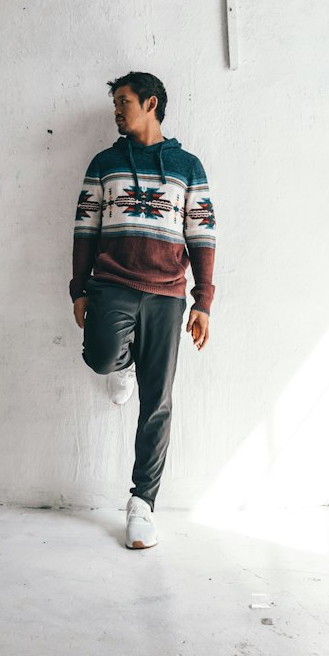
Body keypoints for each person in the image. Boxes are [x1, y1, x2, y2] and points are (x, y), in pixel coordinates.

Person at [70, 72, 216, 549]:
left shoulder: (187, 166)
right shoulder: (104, 163)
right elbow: (85, 228)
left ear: (150, 103)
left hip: (168, 295)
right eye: (115, 102)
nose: (117, 110)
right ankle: (123, 365)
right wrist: (78, 289)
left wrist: (203, 301)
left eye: (124, 101)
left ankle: (142, 504)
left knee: (158, 400)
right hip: (111, 284)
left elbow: (202, 235)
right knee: (100, 356)